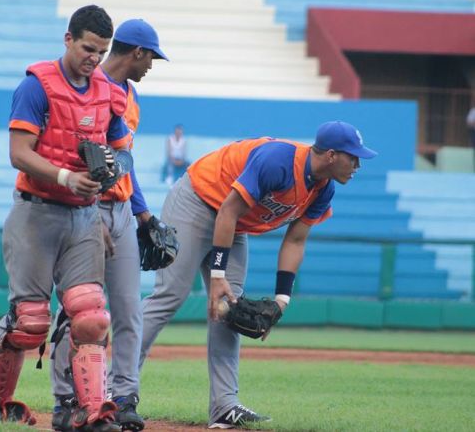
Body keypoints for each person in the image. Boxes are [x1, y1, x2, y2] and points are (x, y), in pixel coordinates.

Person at [138, 121, 377, 429]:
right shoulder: (278, 160)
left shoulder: (323, 189)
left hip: (233, 224)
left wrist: (281, 299)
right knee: (171, 295)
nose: (357, 164)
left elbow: (295, 240)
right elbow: (228, 210)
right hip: (198, 200)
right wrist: (217, 274)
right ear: (331, 155)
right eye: (353, 156)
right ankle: (119, 391)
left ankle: (224, 406)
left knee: (229, 308)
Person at [0, 5, 134, 432]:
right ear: (68, 39)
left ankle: (86, 411)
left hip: (85, 217)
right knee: (30, 320)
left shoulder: (107, 91)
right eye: (87, 48)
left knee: (90, 316)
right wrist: (67, 175)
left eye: (101, 52)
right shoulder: (36, 86)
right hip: (36, 212)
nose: (94, 59)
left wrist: (111, 172)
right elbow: (18, 153)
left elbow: (122, 148)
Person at [50, 18, 169, 432]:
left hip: (120, 210)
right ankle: (67, 399)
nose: (152, 65)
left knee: (129, 310)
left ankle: (123, 397)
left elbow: (123, 165)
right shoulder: (89, 85)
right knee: (82, 313)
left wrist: (143, 214)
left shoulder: (130, 96)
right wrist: (89, 208)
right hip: (85, 207)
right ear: (136, 52)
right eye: (151, 56)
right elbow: (73, 155)